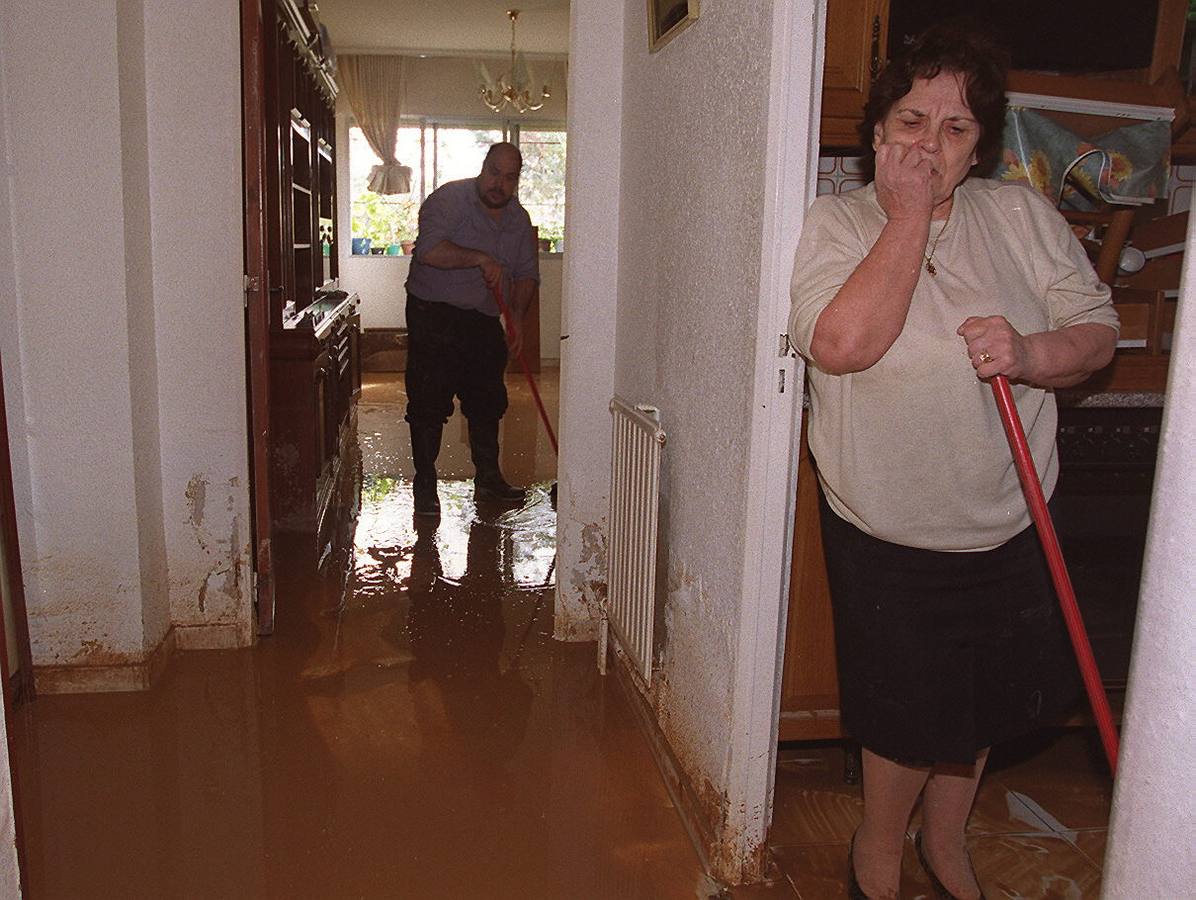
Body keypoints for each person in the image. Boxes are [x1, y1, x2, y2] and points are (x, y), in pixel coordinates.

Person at [788, 25, 1118, 900]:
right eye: (910, 120)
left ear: (980, 150)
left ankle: (948, 843)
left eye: (956, 128)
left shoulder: (1020, 217)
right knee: (905, 720)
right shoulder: (836, 223)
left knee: (975, 712)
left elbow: (1097, 334)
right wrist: (904, 219)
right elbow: (843, 344)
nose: (929, 144)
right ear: (877, 134)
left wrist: (1030, 353)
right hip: (889, 525)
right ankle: (879, 856)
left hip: (1009, 518)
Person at [405, 142, 539, 517]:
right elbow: (429, 250)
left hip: (482, 316)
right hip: (433, 312)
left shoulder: (518, 219)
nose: (500, 183)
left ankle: (489, 477)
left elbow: (527, 274)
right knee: (429, 401)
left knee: (487, 398)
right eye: (495, 172)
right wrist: (479, 258)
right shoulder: (448, 200)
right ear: (483, 167)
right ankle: (426, 484)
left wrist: (514, 315)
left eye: (509, 177)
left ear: (516, 180)